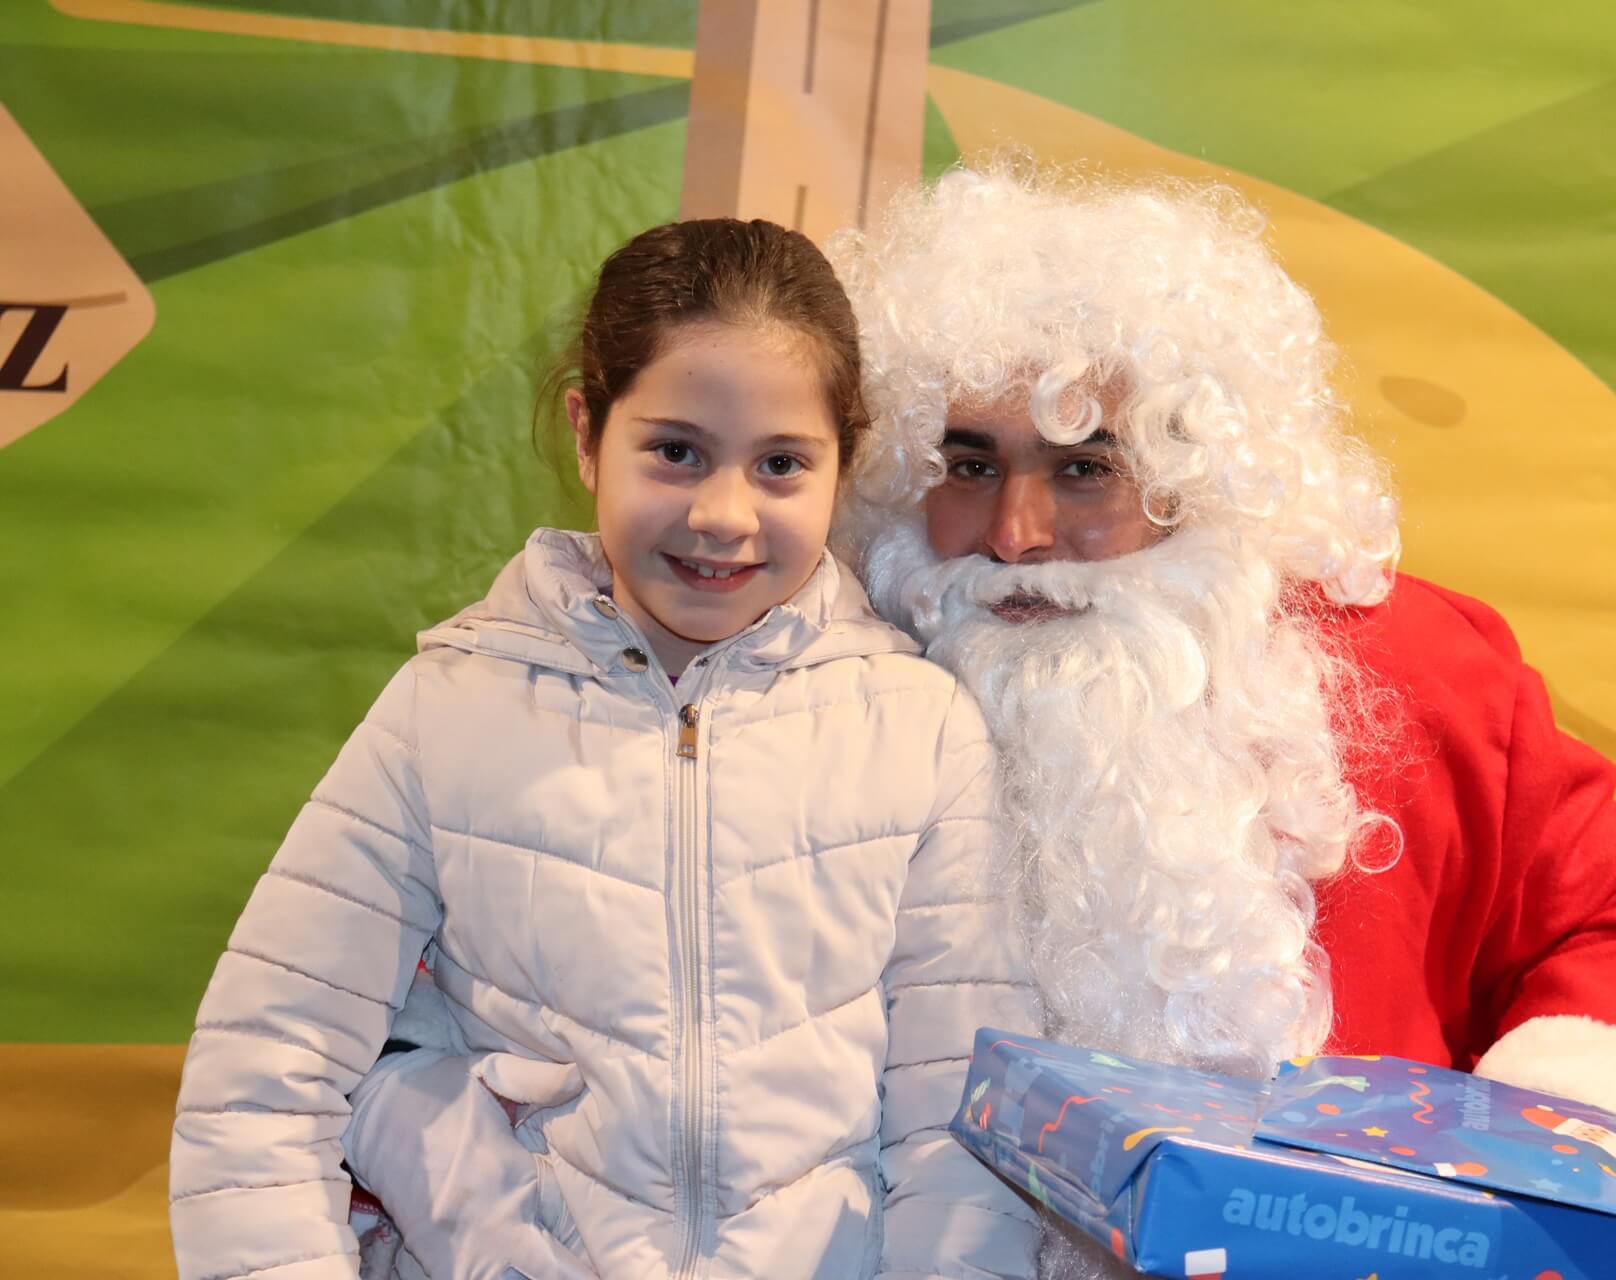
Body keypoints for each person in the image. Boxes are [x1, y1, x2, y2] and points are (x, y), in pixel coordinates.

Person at [345, 166, 1616, 1276]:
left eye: (1085, 469)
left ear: (1192, 472)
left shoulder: (1396, 666)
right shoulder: (782, 671)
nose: (1017, 535)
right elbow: (440, 987)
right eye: (968, 463)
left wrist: (1557, 1134)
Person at [166, 218, 1041, 1280]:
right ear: (588, 433)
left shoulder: (921, 728)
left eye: (780, 464)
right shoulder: (446, 708)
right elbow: (263, 1079)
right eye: (675, 451)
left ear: (842, 466)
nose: (722, 514)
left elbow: (961, 1132)